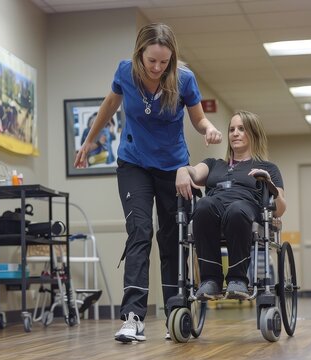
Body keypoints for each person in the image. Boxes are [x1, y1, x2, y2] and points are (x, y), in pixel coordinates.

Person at [74, 23, 222, 343]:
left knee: (171, 239)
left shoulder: (184, 78)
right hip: (134, 164)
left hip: (174, 170)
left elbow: (197, 118)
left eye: (163, 62)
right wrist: (88, 142)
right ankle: (132, 317)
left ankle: (174, 312)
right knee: (139, 230)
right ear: (139, 53)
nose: (157, 68)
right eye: (151, 60)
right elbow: (109, 106)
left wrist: (208, 128)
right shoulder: (125, 72)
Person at [175, 110, 286, 301]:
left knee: (237, 210)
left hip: (246, 209)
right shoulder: (214, 164)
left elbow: (280, 208)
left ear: (253, 134)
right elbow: (194, 172)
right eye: (232, 129)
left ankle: (238, 279)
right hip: (214, 209)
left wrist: (268, 183)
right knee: (203, 205)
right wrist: (182, 170)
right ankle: (210, 280)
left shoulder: (268, 168)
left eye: (241, 129)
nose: (235, 133)